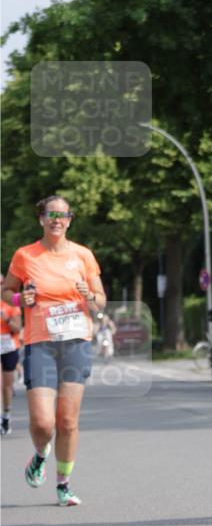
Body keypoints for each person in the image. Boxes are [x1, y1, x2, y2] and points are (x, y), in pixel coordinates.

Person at [1, 195, 106, 506]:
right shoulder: (25, 255)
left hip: (75, 343)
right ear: (42, 219)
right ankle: (40, 452)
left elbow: (100, 300)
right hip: (40, 344)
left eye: (62, 215)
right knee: (43, 423)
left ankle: (63, 484)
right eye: (51, 214)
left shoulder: (83, 255)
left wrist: (90, 297)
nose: (56, 220)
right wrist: (22, 300)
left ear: (70, 220)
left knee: (68, 421)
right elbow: (6, 291)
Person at [0, 274, 22, 435]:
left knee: (7, 386)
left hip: (8, 347)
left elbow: (17, 328)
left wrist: (6, 319)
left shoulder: (11, 303)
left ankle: (6, 416)